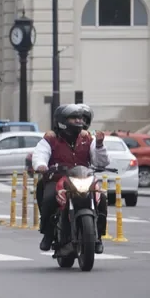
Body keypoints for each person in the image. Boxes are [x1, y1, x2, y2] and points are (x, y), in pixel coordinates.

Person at [30, 104, 109, 254]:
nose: (78, 121)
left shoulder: (87, 138)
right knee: (49, 197)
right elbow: (40, 154)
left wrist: (99, 145)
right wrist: (41, 165)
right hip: (58, 179)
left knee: (102, 199)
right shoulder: (50, 139)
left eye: (80, 118)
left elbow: (101, 162)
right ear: (62, 121)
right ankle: (48, 233)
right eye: (73, 118)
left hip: (84, 178)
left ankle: (98, 237)